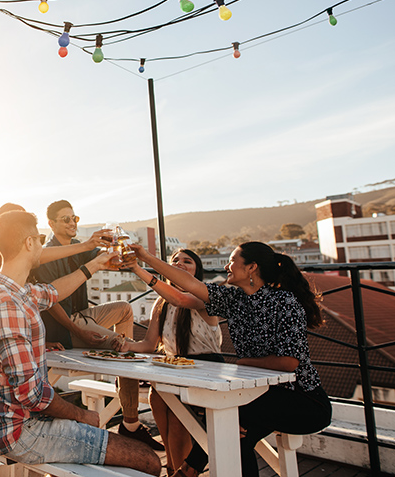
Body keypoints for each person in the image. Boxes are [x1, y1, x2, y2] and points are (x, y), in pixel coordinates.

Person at [0, 210, 161, 475]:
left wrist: (96, 264)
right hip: (23, 432)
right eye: (39, 239)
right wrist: (82, 415)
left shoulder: (6, 290)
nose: (42, 244)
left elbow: (52, 292)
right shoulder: (8, 305)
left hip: (7, 421)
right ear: (29, 243)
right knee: (149, 460)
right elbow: (32, 395)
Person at [128, 241, 332, 477]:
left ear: (251, 268)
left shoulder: (284, 302)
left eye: (233, 261)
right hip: (259, 397)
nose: (226, 266)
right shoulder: (234, 299)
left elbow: (289, 363)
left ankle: (187, 470)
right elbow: (187, 287)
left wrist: (245, 363)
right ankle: (188, 470)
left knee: (229, 418)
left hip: (303, 401)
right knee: (235, 433)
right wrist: (144, 258)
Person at [0, 203, 111, 423]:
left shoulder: (18, 271)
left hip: (14, 300)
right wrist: (85, 246)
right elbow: (43, 256)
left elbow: (48, 289)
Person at [32, 199, 163, 450]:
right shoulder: (49, 253)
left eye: (75, 218)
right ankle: (131, 420)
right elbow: (50, 302)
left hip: (83, 315)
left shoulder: (78, 247)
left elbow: (107, 259)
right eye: (66, 219)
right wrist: (78, 331)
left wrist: (121, 252)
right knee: (124, 348)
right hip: (66, 325)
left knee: (124, 309)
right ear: (51, 223)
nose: (72, 223)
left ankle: (123, 372)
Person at [119, 249, 222, 473]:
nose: (180, 264)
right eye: (175, 261)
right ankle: (173, 468)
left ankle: (181, 471)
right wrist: (125, 345)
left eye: (187, 261)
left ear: (197, 270)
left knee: (178, 416)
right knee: (156, 397)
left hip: (205, 369)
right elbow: (148, 344)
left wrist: (138, 268)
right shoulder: (161, 302)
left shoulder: (206, 296)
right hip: (174, 367)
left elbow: (180, 298)